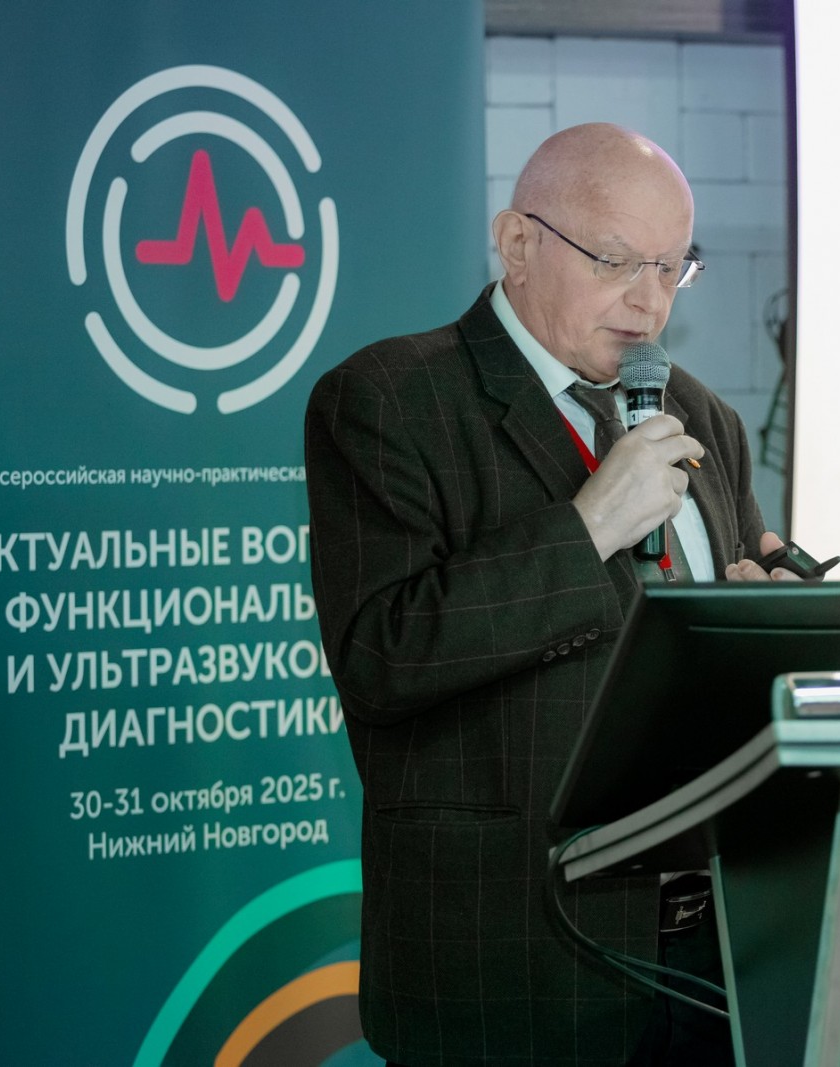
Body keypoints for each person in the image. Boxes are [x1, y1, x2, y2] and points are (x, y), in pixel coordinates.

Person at [305, 123, 795, 1066]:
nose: (650, 302)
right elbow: (380, 655)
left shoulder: (703, 413)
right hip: (513, 959)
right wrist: (587, 528)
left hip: (720, 956)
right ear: (518, 242)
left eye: (672, 268)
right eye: (617, 262)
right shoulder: (391, 399)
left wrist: (770, 619)